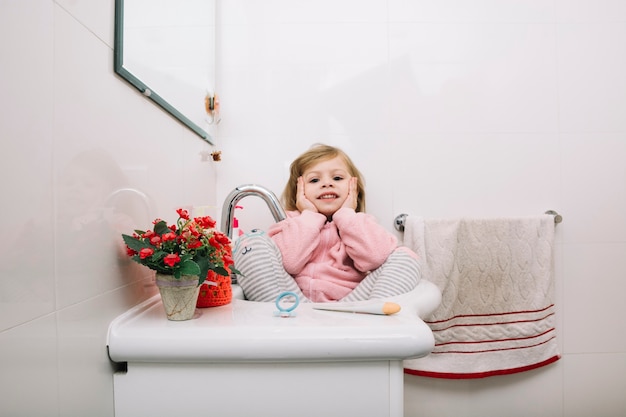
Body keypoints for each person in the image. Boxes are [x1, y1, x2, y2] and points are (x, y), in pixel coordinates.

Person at [233, 144, 420, 302]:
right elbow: (290, 263)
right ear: (299, 191)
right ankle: (287, 326)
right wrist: (309, 215)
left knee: (406, 256)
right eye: (314, 180)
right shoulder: (290, 223)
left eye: (337, 178)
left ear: (353, 188)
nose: (327, 184)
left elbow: (374, 258)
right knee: (251, 243)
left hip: (351, 308)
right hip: (293, 306)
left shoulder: (361, 223)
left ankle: (371, 327)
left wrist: (347, 215)